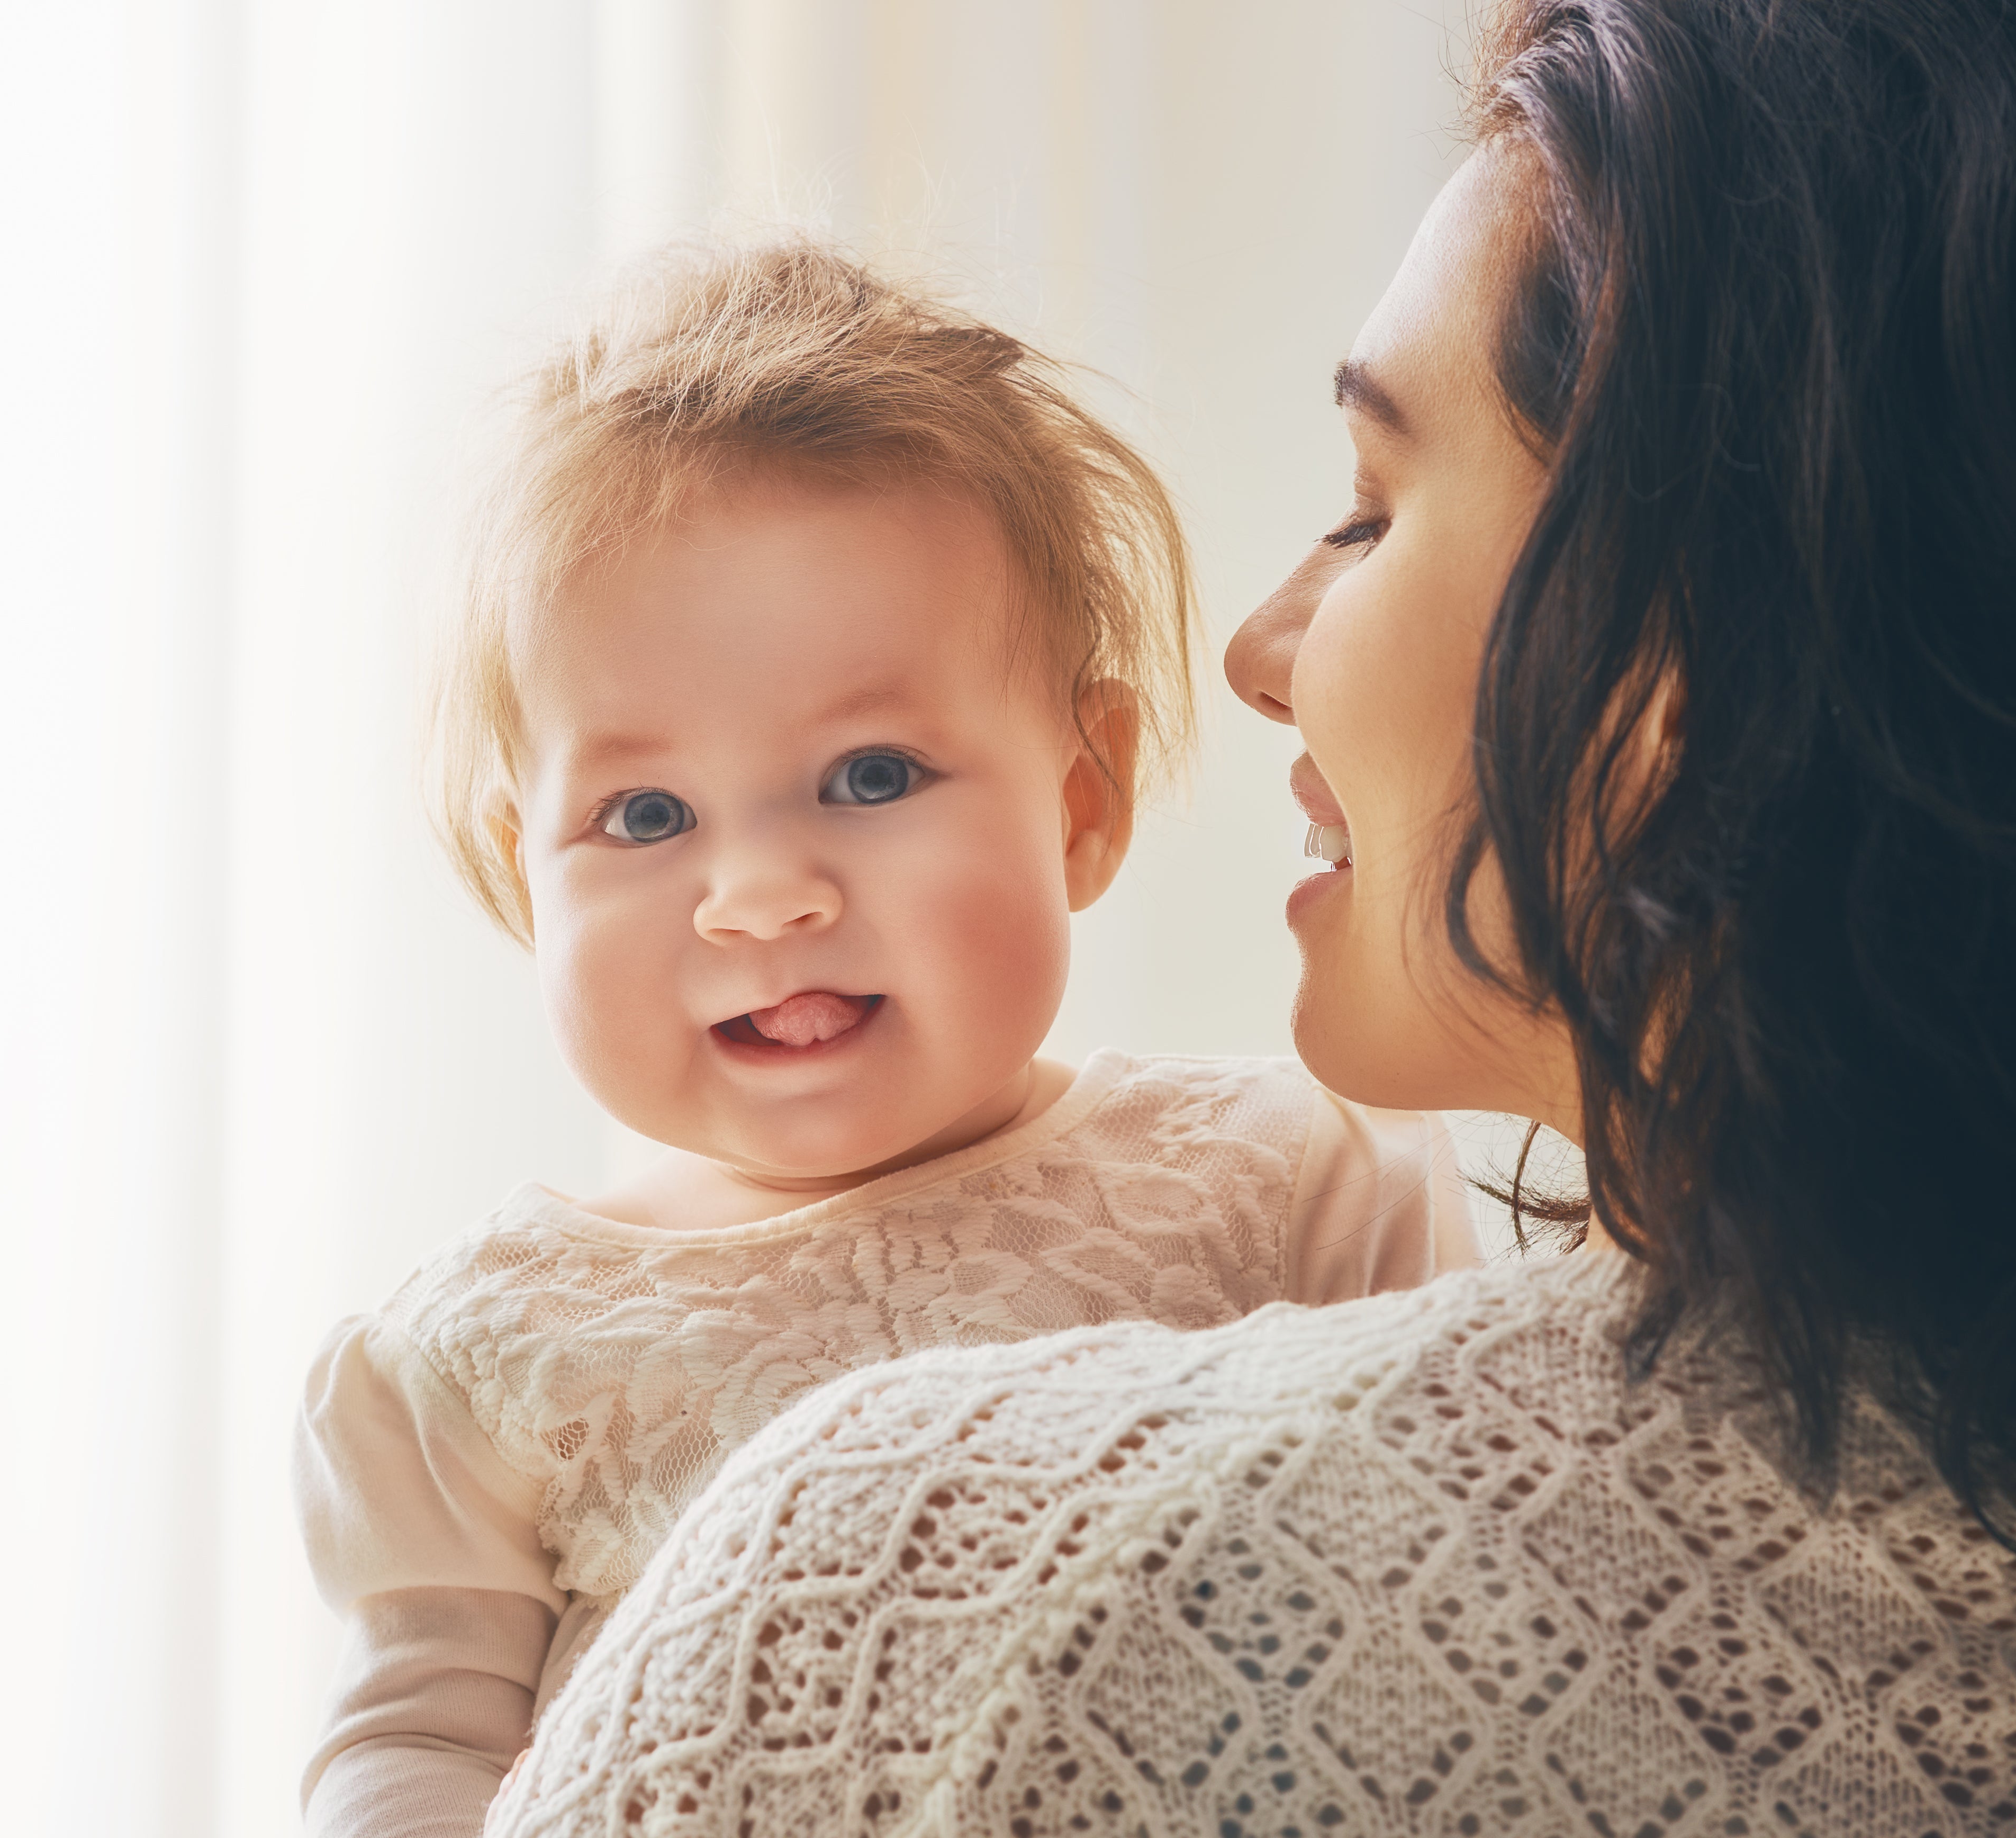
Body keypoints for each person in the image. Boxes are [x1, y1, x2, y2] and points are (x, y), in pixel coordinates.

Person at [481, 0, 2016, 1831]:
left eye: (1369, 508)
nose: (1257, 656)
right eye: (641, 813)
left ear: (1704, 649)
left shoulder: (920, 1602)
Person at [290, 243, 1479, 1838]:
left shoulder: (1285, 1180)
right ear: (529, 873)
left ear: (1081, 799)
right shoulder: (490, 1356)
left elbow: (1460, 1601)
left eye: (870, 778)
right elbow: (415, 1749)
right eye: (646, 815)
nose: (763, 895)